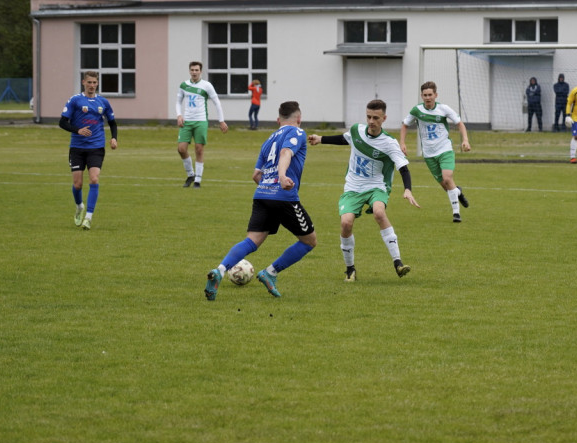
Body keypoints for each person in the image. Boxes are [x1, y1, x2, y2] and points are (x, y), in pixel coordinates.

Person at [205, 101, 315, 300]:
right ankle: (270, 273)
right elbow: (286, 153)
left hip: (262, 194)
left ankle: (220, 270)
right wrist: (281, 177)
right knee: (309, 241)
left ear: (277, 120)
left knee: (252, 240)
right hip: (284, 196)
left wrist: (269, 186)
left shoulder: (268, 140)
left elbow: (256, 175)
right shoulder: (298, 133)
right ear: (299, 119)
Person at [308, 99, 420, 281]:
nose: (371, 121)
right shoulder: (356, 130)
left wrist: (408, 189)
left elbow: (403, 168)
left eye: (376, 118)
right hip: (353, 187)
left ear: (384, 118)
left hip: (377, 186)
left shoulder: (389, 143)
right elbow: (344, 139)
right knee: (346, 224)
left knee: (379, 212)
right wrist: (321, 139)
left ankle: (398, 263)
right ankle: (350, 269)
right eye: (368, 116)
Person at [399, 81, 471, 223]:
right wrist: (402, 142)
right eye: (425, 95)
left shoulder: (443, 109)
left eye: (430, 95)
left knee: (447, 178)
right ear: (422, 96)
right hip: (429, 153)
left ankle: (456, 213)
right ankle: (458, 192)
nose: (428, 97)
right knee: (445, 185)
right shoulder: (417, 110)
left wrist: (465, 140)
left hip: (445, 149)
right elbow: (405, 124)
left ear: (435, 95)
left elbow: (459, 123)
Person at [60, 71, 118, 230]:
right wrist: (77, 130)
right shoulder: (75, 100)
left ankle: (88, 218)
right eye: (89, 82)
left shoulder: (103, 102)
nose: (92, 85)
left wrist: (114, 138)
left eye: (95, 83)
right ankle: (79, 206)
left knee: (94, 179)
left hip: (96, 147)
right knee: (77, 184)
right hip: (77, 148)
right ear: (83, 82)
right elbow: (62, 122)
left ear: (97, 84)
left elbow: (112, 122)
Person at [176, 61, 228, 188]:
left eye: (196, 70)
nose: (194, 72)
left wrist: (221, 120)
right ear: (189, 71)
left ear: (200, 71)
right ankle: (190, 174)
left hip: (201, 121)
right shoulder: (184, 85)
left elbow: (217, 102)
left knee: (199, 149)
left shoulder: (207, 85)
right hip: (187, 121)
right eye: (192, 70)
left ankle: (198, 180)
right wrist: (179, 115)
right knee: (181, 149)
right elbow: (178, 102)